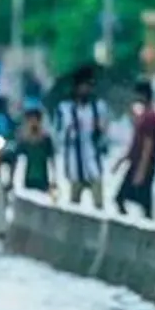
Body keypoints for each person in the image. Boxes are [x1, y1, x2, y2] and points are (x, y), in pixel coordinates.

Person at [55, 69, 109, 208]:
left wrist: (100, 130)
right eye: (83, 85)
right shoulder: (65, 109)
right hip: (74, 164)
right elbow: (59, 137)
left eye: (89, 86)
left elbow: (104, 137)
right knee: (74, 205)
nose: (86, 89)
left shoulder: (98, 108)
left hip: (93, 163)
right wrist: (70, 130)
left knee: (98, 204)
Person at [114, 79, 155, 220]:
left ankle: (143, 225)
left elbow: (148, 145)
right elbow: (136, 143)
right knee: (139, 200)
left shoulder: (149, 118)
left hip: (143, 165)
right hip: (138, 163)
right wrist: (122, 160)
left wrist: (141, 170)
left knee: (125, 198)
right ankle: (145, 222)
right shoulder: (143, 116)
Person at [10, 106, 57, 195]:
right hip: (26, 183)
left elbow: (51, 161)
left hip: (43, 183)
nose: (33, 123)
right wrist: (12, 181)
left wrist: (53, 180)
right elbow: (16, 162)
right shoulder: (23, 142)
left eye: (36, 120)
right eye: (30, 120)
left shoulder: (46, 140)